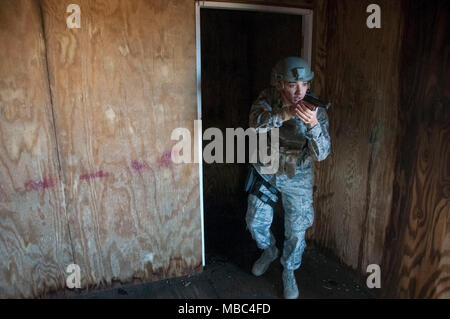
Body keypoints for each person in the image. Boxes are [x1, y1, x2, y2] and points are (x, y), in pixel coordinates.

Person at [245, 57, 331, 299]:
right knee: (255, 221)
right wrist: (285, 114)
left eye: (304, 84)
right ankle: (269, 250)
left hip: (298, 174)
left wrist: (313, 124)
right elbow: (255, 124)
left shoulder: (315, 109)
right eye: (293, 85)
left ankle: (289, 270)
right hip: (267, 169)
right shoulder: (267, 98)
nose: (299, 91)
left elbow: (322, 154)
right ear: (280, 83)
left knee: (297, 229)